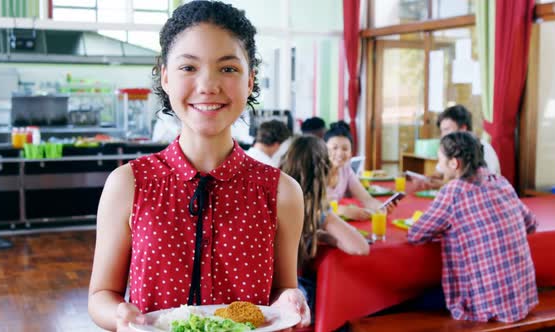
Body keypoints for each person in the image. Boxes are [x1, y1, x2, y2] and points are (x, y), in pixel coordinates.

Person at [87, 2, 310, 331]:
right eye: (189, 68)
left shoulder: (281, 192)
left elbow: (282, 289)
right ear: (165, 76)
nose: (208, 85)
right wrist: (120, 315)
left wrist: (290, 300)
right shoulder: (129, 184)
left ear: (251, 80)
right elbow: (102, 294)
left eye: (228, 68)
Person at [408, 131, 538, 322]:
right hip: (522, 300)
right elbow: (531, 224)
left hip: (485, 307)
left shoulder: (453, 192)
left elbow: (416, 234)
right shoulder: (501, 182)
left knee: (414, 301)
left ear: (454, 163)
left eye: (439, 159)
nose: (437, 165)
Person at [280, 135, 370, 314]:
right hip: (285, 291)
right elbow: (360, 247)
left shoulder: (273, 191)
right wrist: (327, 221)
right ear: (322, 170)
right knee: (340, 299)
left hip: (253, 285)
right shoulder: (312, 207)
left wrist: (320, 235)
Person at [412, 105, 501, 189]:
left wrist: (442, 184)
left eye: (447, 130)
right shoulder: (451, 148)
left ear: (463, 129)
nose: (442, 136)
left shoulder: (482, 148)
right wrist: (426, 179)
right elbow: (439, 173)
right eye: (441, 131)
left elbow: (484, 184)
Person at [324, 121, 384, 221]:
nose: (340, 153)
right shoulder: (314, 171)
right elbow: (309, 206)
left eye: (345, 149)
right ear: (323, 149)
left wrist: (381, 207)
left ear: (351, 153)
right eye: (334, 148)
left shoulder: (346, 170)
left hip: (333, 223)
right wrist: (341, 210)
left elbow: (366, 198)